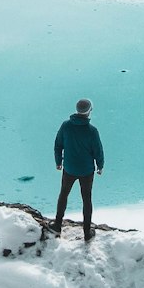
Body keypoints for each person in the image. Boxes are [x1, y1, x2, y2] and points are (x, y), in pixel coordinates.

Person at [51, 98, 104, 240]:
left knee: (63, 195)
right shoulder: (92, 131)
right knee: (87, 199)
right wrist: (100, 165)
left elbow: (58, 145)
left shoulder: (66, 126)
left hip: (69, 168)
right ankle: (87, 232)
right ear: (89, 111)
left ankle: (57, 225)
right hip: (86, 171)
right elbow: (97, 150)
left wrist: (58, 161)